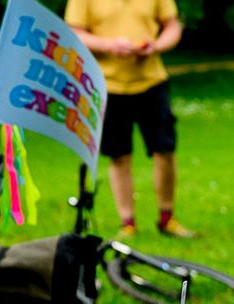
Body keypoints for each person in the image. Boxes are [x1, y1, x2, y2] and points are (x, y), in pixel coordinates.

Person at [65, 0, 194, 239]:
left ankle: (167, 219)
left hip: (152, 81)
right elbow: (74, 32)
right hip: (107, 85)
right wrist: (109, 45)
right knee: (119, 155)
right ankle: (128, 223)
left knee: (165, 150)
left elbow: (172, 26)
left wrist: (155, 46)